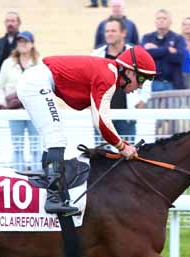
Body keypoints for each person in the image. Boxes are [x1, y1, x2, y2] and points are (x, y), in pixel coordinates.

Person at [17, 46, 156, 215]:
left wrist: (123, 144)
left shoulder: (108, 71)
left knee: (53, 137)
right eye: (141, 78)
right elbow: (101, 122)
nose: (140, 85)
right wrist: (123, 147)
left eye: (145, 81)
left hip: (37, 80)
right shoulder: (108, 76)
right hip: (37, 82)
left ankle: (54, 193)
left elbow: (101, 119)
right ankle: (53, 198)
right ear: (128, 71)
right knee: (56, 137)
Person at [92, 17, 150, 141]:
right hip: (103, 116)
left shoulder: (135, 54)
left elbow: (147, 77)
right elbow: (88, 81)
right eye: (107, 31)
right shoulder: (96, 55)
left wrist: (142, 99)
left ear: (123, 33)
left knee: (127, 157)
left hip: (126, 115)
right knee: (101, 157)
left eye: (113, 31)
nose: (109, 34)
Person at [0, 31, 39, 170]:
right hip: (14, 111)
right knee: (17, 145)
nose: (22, 45)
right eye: (20, 42)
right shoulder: (8, 63)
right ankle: (18, 174)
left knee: (36, 144)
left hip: (34, 111)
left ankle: (38, 174)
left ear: (32, 44)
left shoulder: (39, 63)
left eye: (25, 42)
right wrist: (3, 102)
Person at [141, 9, 185, 91]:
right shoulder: (147, 37)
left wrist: (155, 50)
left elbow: (179, 57)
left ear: (170, 22)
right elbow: (143, 57)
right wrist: (167, 49)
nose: (161, 20)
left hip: (172, 84)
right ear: (155, 21)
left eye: (164, 18)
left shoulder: (178, 38)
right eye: (159, 18)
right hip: (151, 84)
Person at [0, 11, 20, 88]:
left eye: (13, 21)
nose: (10, 24)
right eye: (7, 21)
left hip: (19, 83)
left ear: (18, 23)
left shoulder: (24, 43)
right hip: (2, 84)